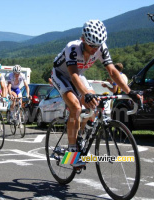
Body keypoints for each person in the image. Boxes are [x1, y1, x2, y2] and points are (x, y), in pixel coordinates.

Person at [50, 19, 140, 165]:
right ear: (83, 39)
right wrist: (85, 93)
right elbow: (72, 75)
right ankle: (72, 153)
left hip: (78, 75)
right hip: (61, 75)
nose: (94, 49)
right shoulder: (72, 48)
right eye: (91, 45)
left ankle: (80, 134)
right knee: (76, 106)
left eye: (97, 45)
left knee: (96, 103)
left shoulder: (100, 48)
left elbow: (112, 71)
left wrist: (130, 92)